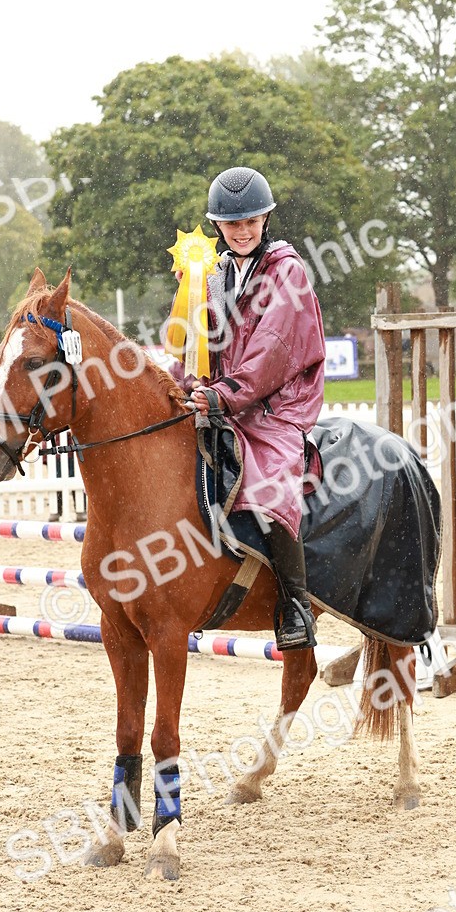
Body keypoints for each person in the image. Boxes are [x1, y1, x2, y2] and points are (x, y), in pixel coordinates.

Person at [171, 165, 326, 650]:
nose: (242, 231)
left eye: (251, 222)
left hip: (275, 405)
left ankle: (296, 606)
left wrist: (226, 393)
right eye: (233, 224)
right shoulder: (213, 274)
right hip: (224, 400)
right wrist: (183, 384)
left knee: (270, 480)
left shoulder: (286, 271)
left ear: (265, 220)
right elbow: (196, 341)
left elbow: (273, 349)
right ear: (218, 226)